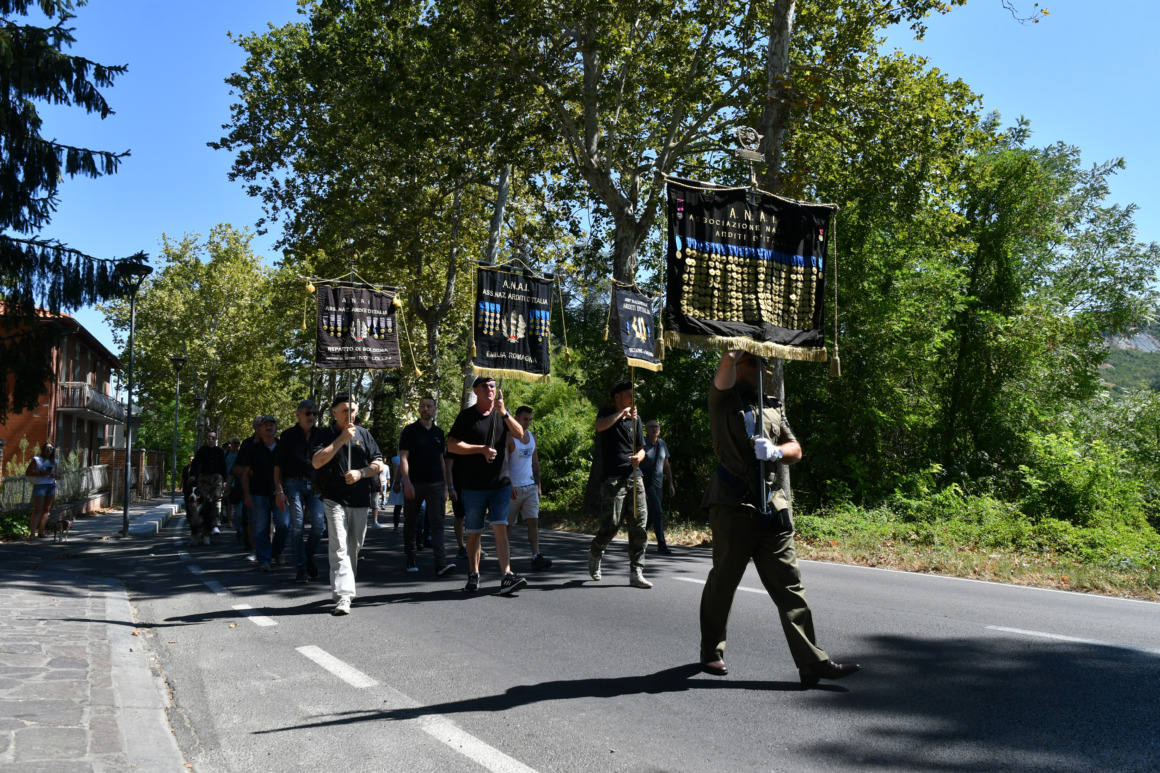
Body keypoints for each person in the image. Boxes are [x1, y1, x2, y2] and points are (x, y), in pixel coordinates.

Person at [698, 350, 860, 685]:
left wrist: (775, 452)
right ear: (739, 366)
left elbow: (795, 449)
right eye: (754, 363)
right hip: (732, 506)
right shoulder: (724, 398)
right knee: (723, 583)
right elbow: (724, 373)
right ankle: (712, 651)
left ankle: (812, 662)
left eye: (764, 363)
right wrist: (731, 353)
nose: (762, 369)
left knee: (790, 586)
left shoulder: (772, 404)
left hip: (772, 505)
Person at [447, 376, 527, 595]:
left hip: (499, 484)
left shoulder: (502, 414)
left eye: (493, 386)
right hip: (473, 485)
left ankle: (507, 575)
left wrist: (505, 413)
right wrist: (480, 449)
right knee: (474, 531)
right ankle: (473, 574)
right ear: (476, 390)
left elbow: (520, 435)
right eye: (485, 386)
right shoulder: (466, 416)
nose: (490, 389)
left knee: (500, 527)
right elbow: (452, 445)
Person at [311, 393, 386, 615]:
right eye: (344, 410)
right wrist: (342, 439)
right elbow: (317, 462)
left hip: (360, 499)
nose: (349, 414)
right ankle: (345, 596)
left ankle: (342, 588)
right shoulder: (325, 434)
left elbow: (379, 463)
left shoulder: (364, 434)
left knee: (353, 547)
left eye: (352, 410)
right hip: (334, 498)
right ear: (334, 412)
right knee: (339, 546)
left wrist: (361, 472)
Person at [588, 380, 652, 589]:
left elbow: (643, 447)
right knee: (612, 524)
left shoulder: (637, 419)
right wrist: (622, 414)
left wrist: (639, 458)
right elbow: (599, 427)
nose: (632, 399)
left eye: (633, 396)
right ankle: (596, 551)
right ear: (618, 397)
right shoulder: (607, 414)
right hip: (613, 478)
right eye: (628, 395)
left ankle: (636, 571)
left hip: (635, 475)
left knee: (639, 524)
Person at [399, 396, 456, 576]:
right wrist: (406, 482)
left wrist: (447, 486)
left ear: (435, 409)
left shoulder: (439, 433)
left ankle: (440, 563)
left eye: (429, 406)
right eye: (423, 406)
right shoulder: (409, 431)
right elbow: (403, 458)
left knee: (438, 523)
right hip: (414, 484)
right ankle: (410, 557)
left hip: (436, 484)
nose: (425, 409)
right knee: (411, 522)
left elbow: (443, 462)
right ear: (419, 409)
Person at [274, 400, 326, 584]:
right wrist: (279, 491)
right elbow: (278, 466)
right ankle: (301, 568)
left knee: (319, 524)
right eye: (308, 413)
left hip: (316, 485)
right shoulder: (287, 436)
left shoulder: (322, 434)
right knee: (297, 527)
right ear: (298, 414)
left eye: (314, 413)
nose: (311, 416)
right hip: (293, 484)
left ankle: (307, 556)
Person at [237, 416, 289, 572]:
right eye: (265, 425)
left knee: (284, 524)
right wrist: (246, 495)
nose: (269, 427)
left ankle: (278, 550)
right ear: (259, 429)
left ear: (276, 428)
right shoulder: (253, 448)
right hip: (258, 493)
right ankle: (265, 559)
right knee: (260, 528)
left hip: (279, 493)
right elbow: (244, 473)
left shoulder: (283, 446)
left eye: (272, 424)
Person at [507, 405, 551, 570]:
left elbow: (535, 463)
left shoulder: (533, 437)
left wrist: (539, 486)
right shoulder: (509, 438)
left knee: (533, 521)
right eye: (525, 419)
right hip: (513, 489)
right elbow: (504, 465)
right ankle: (506, 560)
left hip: (530, 487)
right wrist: (509, 485)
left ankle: (536, 556)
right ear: (516, 419)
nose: (528, 423)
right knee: (507, 525)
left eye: (530, 419)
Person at [641, 419, 676, 555]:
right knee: (658, 511)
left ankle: (637, 535)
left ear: (659, 429)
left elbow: (666, 465)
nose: (655, 429)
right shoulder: (642, 444)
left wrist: (671, 483)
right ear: (647, 430)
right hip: (646, 484)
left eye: (657, 427)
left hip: (659, 485)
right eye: (651, 427)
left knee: (652, 513)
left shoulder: (662, 444)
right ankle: (662, 544)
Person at [190, 431, 228, 543]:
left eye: (213, 438)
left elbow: (223, 466)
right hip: (204, 478)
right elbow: (196, 463)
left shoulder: (219, 451)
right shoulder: (202, 450)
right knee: (203, 501)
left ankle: (215, 523)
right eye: (209, 437)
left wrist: (225, 480)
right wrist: (193, 475)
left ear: (216, 439)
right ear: (206, 439)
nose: (210, 439)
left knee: (216, 500)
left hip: (216, 478)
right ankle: (203, 525)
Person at [25, 443, 58, 538]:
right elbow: (28, 472)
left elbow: (57, 474)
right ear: (43, 449)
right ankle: (32, 534)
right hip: (40, 486)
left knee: (46, 509)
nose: (49, 450)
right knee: (37, 509)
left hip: (51, 485)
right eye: (47, 448)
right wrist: (41, 473)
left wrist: (54, 475)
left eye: (51, 448)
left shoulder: (54, 461)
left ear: (53, 450)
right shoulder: (37, 460)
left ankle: (41, 532)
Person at [222, 437, 241, 529]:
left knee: (238, 502)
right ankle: (229, 520)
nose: (236, 445)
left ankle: (238, 520)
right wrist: (223, 481)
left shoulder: (241, 454)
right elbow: (221, 467)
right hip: (228, 481)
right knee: (228, 501)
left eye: (238, 443)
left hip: (238, 482)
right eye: (235, 443)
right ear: (231, 444)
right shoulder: (226, 454)